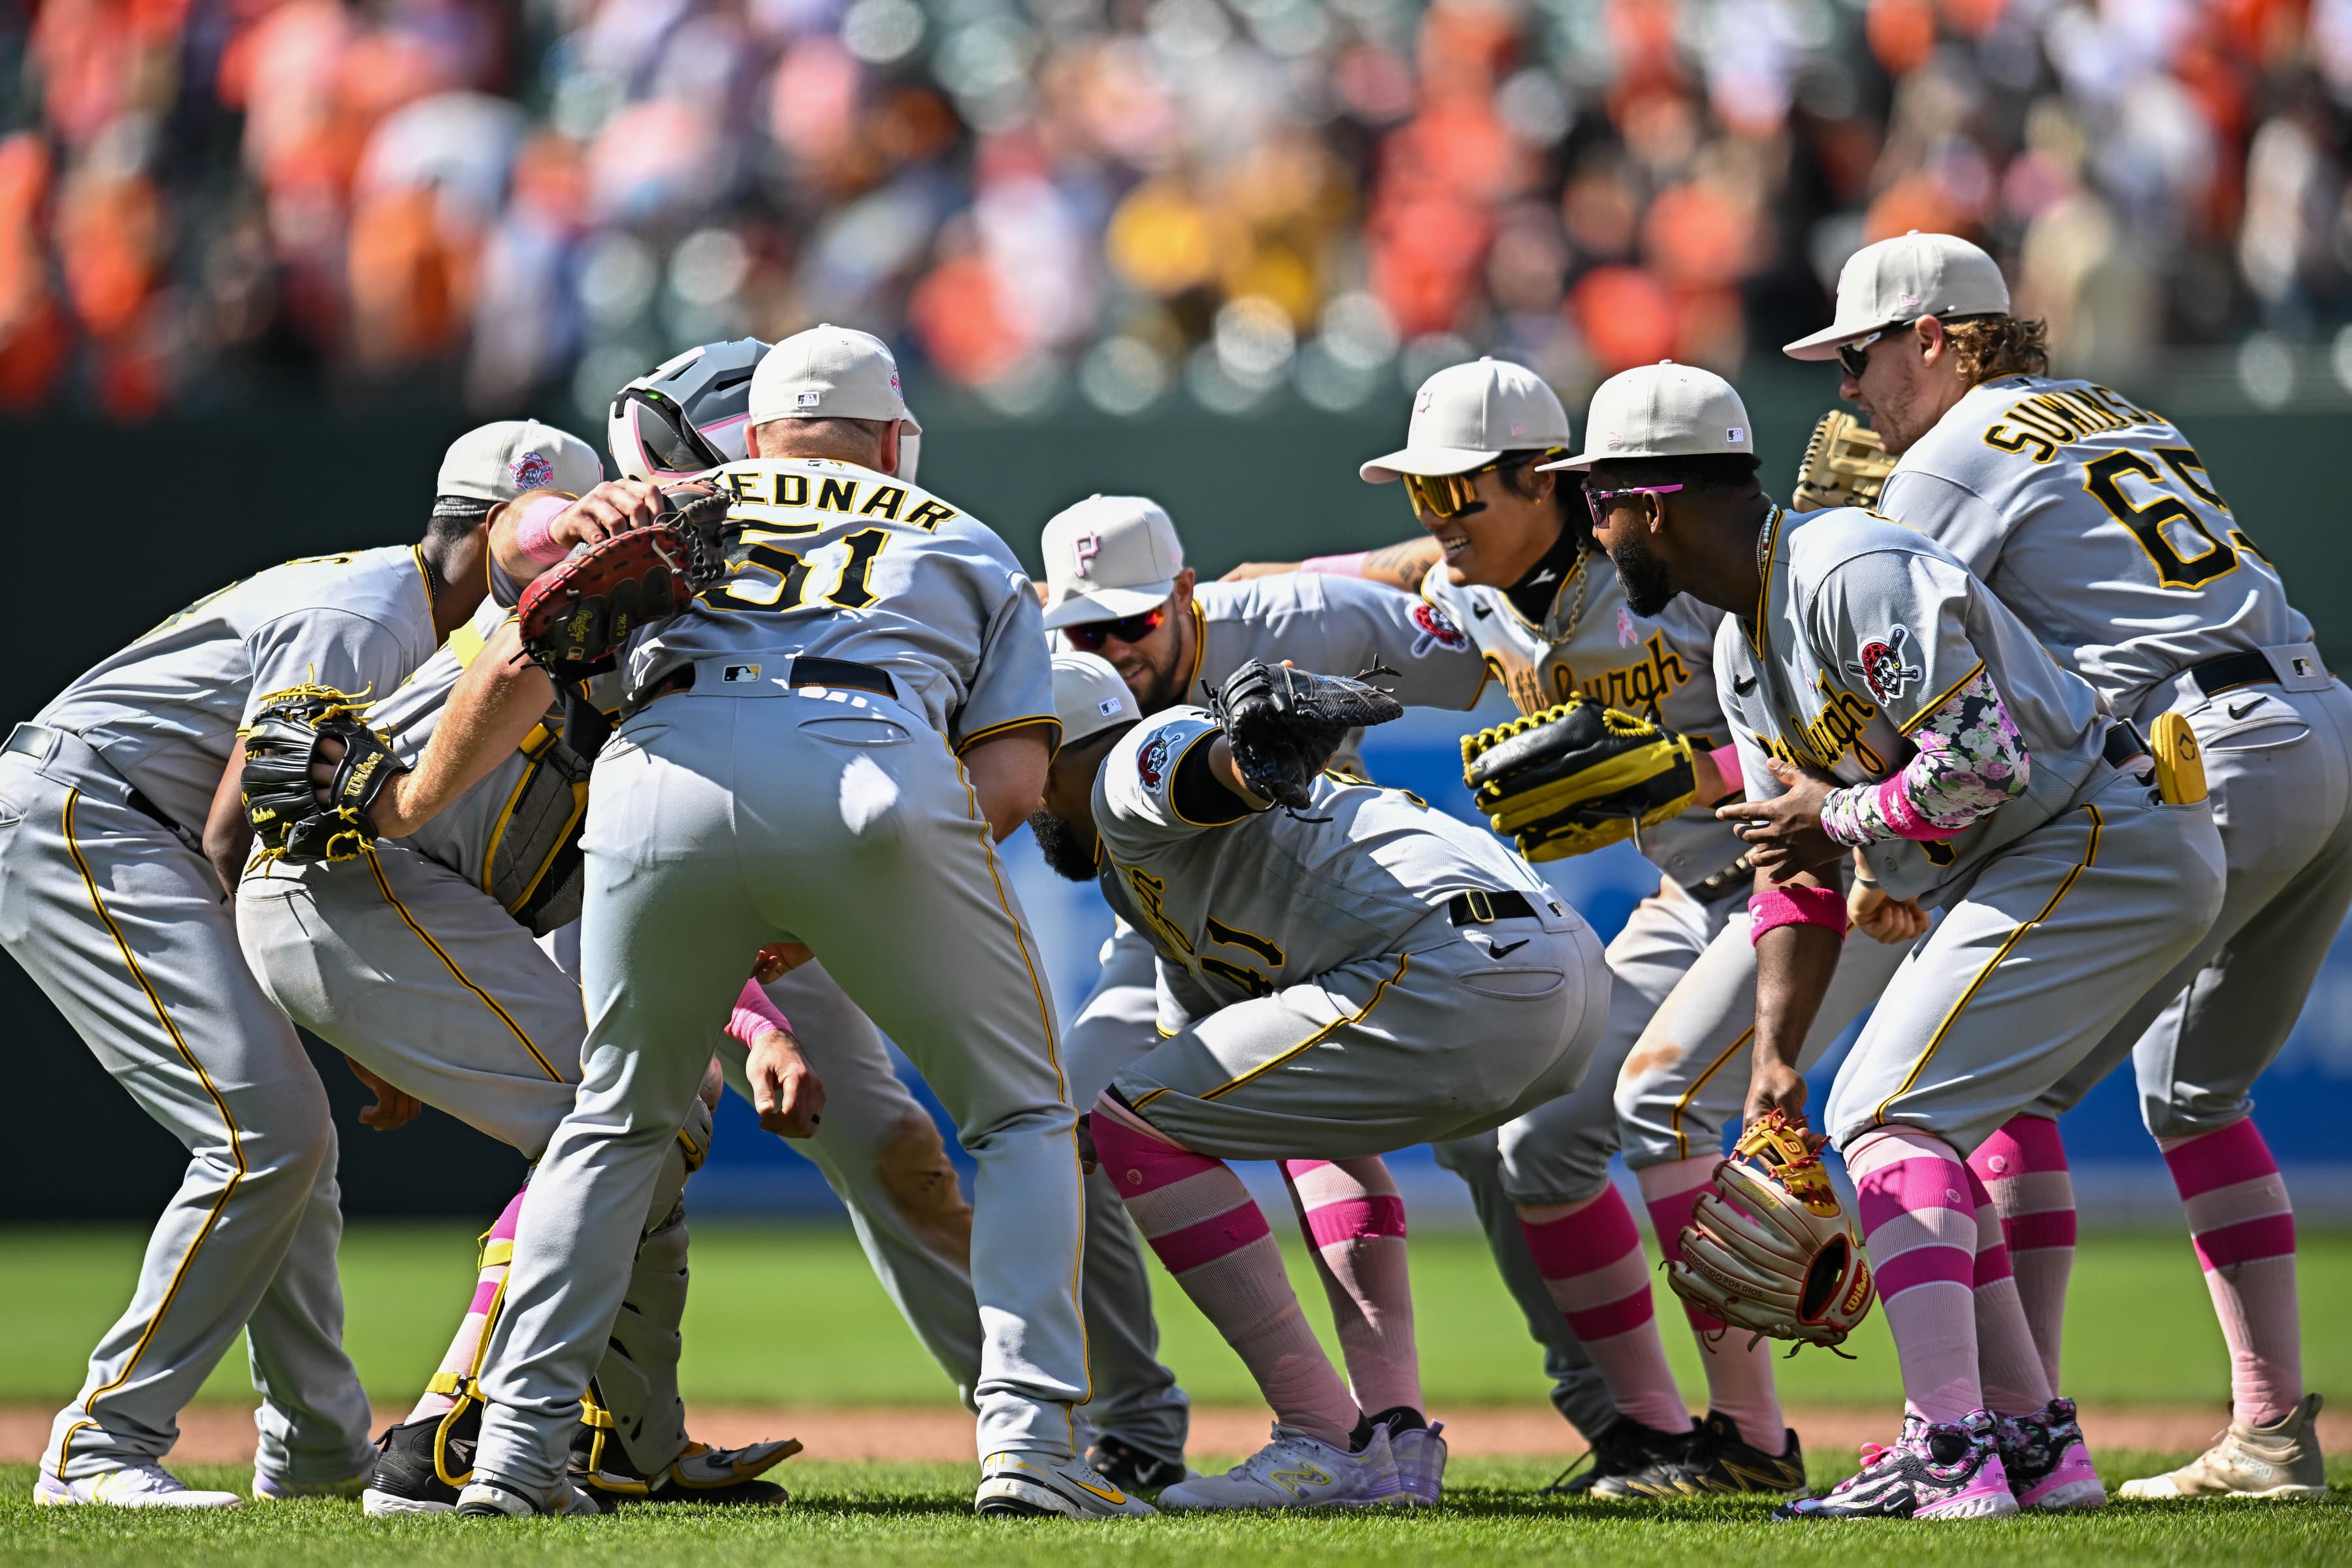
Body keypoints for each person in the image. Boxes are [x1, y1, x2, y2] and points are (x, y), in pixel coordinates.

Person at [455, 326, 1147, 1520]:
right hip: (874, 766)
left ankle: (516, 1455)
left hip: (654, 777)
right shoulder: (960, 534)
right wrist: (846, 895)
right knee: (1024, 1116)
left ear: (760, 436)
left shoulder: (669, 513)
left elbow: (535, 633)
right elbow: (1019, 786)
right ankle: (1031, 1449)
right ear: (892, 437)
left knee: (616, 1120)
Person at [1232, 357, 1910, 1495]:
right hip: (1699, 894)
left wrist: (1679, 770)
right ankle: (1652, 1436)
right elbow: (1368, 572)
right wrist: (1259, 583)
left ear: (1545, 479)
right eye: (1421, 495)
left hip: (1831, 878)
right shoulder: (1480, 582)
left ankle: (1751, 1444)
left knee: (1661, 1104)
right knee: (1536, 1144)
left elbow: (1853, 748)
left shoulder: (1675, 569)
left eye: (1459, 493)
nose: (1437, 518)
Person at [1573, 357, 2225, 1518]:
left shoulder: (1850, 568)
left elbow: (1982, 763)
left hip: (2104, 830)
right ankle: (2033, 1447)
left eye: (1599, 497)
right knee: (1889, 1113)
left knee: (1886, 1115)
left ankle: (1948, 1449)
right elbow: (1796, 871)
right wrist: (1774, 1071)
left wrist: (1833, 811)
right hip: (2041, 850)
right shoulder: (1741, 645)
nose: (1595, 521)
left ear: (1654, 498)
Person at [1787, 229, 2348, 1500]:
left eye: (1862, 353)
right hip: (2319, 725)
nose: (1848, 389)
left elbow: (1879, 661)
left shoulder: (1953, 450)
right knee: (2193, 1098)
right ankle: (2266, 1431)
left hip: (2196, 747)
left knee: (1963, 1091)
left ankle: (1999, 1430)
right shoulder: (2111, 409)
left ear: (1932, 337)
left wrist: (1871, 820)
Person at [235, 476, 860, 1512]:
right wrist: (575, 514)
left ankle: (632, 1444)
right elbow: (533, 568)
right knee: (620, 1126)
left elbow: (618, 933)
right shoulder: (627, 582)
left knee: (667, 1107)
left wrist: (755, 1024)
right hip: (357, 884)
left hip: (396, 912)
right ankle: (446, 1434)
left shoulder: (703, 682)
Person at [5, 420, 592, 1507]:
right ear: (489, 533)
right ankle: (101, 1446)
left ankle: (319, 1450)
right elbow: (239, 827)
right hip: (92, 819)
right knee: (261, 1135)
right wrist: (310, 997)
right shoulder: (374, 620)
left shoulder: (417, 617)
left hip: (133, 828)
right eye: (545, 539)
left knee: (290, 1144)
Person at [1029, 651, 1609, 1509]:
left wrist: (1244, 757)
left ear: (1047, 751)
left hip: (1457, 975)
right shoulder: (1144, 880)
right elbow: (1206, 1076)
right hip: (1559, 976)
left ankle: (1319, 1436)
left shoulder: (1121, 770)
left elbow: (1185, 766)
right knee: (1225, 1118)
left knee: (1132, 1122)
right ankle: (1391, 1433)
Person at [1034, 490, 1489, 1484]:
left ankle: (1432, 1425)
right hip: (1158, 924)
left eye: (1134, 619)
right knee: (1063, 1130)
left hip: (1332, 918)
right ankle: (1140, 1426)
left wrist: (1388, 558)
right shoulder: (1040, 658)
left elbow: (1494, 634)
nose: (1109, 648)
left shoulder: (1300, 618)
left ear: (1187, 593)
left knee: (1500, 1153)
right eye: (1083, 627)